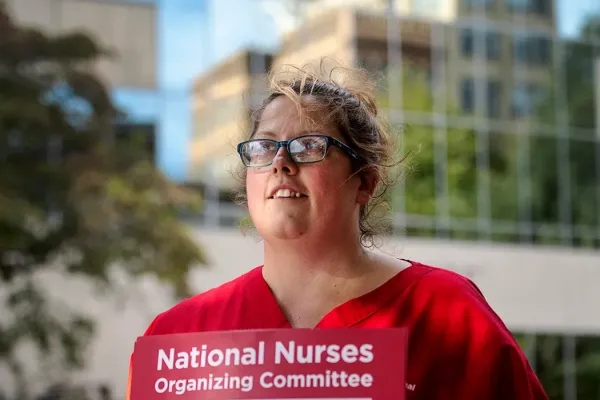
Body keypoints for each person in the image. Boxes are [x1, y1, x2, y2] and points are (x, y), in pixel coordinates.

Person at [127, 63, 548, 399]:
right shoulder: (180, 338)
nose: (280, 163)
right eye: (264, 146)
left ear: (364, 181)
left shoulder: (447, 315)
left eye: (310, 146)